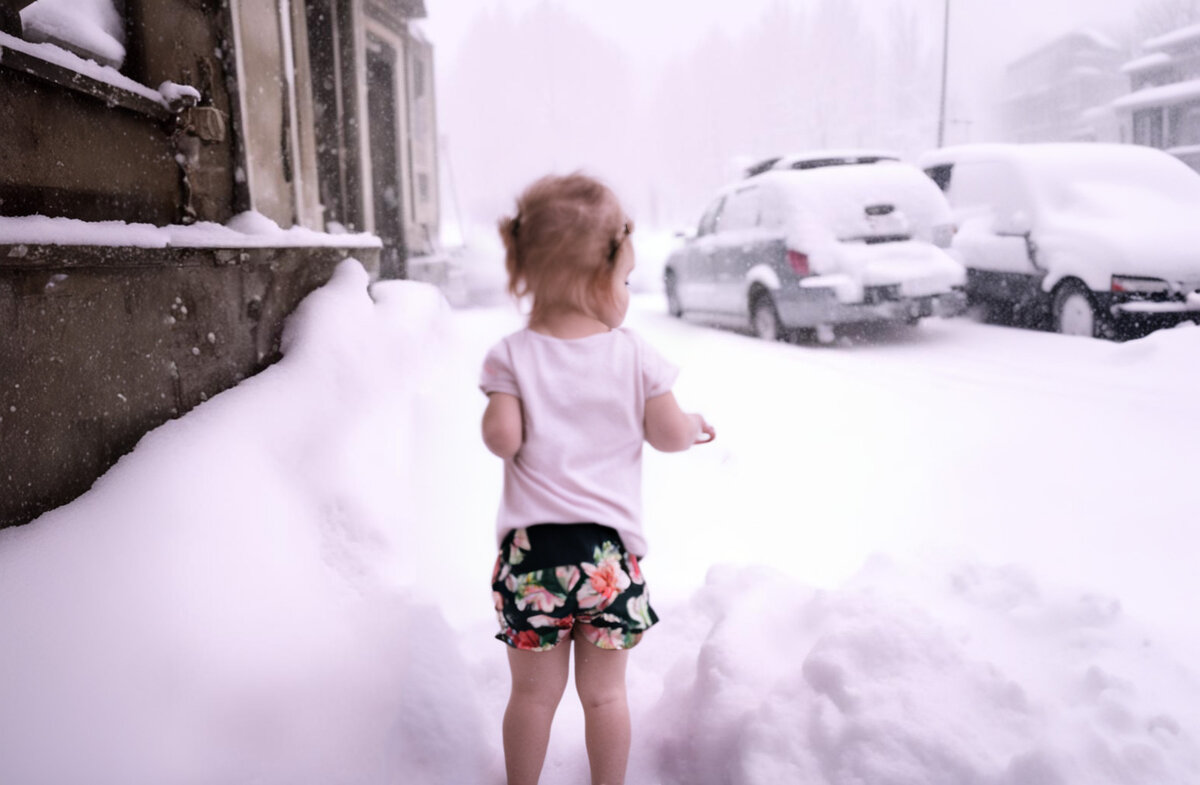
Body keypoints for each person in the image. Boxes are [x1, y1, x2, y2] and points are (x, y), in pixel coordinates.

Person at [479, 173, 715, 785]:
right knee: (606, 697)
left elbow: (501, 436)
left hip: (533, 560)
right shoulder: (634, 354)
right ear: (599, 277)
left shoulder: (513, 354)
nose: (629, 293)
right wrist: (690, 425)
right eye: (627, 279)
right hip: (607, 561)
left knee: (532, 697)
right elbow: (666, 434)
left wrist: (511, 422)